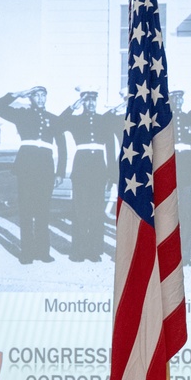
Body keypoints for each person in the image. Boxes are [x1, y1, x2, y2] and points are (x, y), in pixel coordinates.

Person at [0, 87, 66, 265]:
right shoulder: (21, 115)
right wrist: (16, 94)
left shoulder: (53, 119)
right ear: (30, 98)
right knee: (25, 210)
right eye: (36, 95)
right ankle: (27, 253)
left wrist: (60, 172)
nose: (40, 98)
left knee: (42, 212)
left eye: (43, 95)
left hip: (46, 170)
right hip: (26, 168)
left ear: (46, 97)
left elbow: (62, 146)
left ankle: (42, 252)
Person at [61, 90, 118, 262]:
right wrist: (73, 106)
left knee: (96, 211)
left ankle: (94, 250)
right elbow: (59, 123)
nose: (91, 103)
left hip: (99, 170)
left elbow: (110, 149)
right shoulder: (76, 119)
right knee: (79, 210)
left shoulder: (104, 120)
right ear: (83, 102)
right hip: (81, 169)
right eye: (87, 101)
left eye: (94, 100)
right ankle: (78, 250)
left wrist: (111, 174)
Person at [171, 90, 191, 265]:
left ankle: (186, 254)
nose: (179, 101)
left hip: (187, 172)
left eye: (181, 97)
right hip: (170, 171)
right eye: (175, 98)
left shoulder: (190, 118)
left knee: (186, 215)